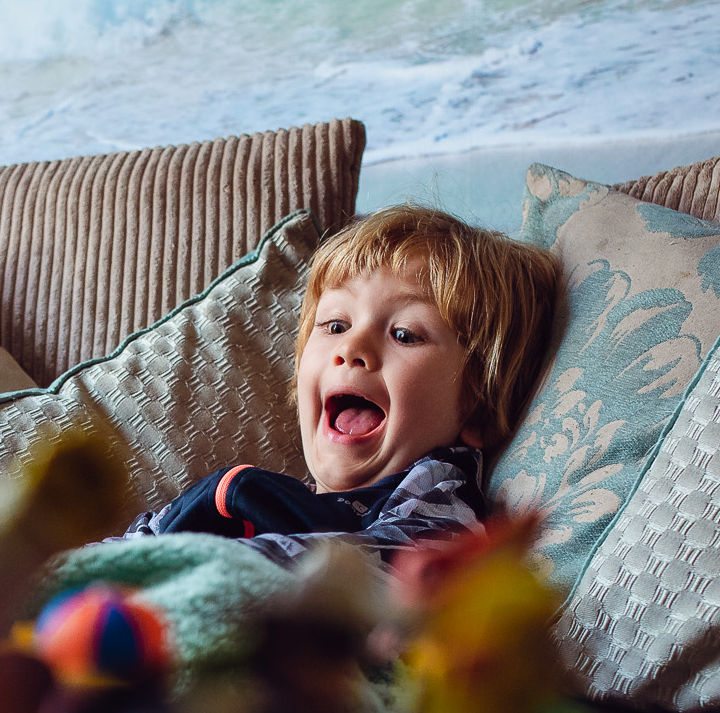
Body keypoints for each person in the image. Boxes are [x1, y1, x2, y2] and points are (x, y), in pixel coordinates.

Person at [124, 206, 559, 566]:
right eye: (335, 324)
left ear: (478, 408)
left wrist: (239, 497)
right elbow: (116, 555)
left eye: (405, 334)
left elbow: (381, 581)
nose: (352, 348)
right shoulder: (301, 497)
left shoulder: (437, 499)